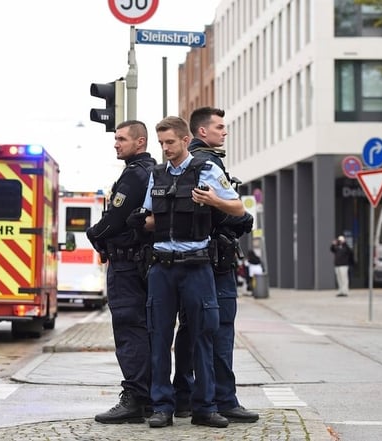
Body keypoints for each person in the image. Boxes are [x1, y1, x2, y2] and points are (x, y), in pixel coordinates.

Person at [129, 115, 245, 429]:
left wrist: (213, 200)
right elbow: (152, 218)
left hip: (197, 267)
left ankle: (205, 408)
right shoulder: (156, 175)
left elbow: (239, 209)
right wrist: (139, 221)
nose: (165, 148)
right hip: (162, 269)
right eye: (161, 143)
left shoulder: (206, 169)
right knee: (159, 337)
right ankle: (162, 407)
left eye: (170, 142)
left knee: (203, 337)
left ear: (184, 140)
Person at [170, 106, 260, 425]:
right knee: (219, 330)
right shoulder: (207, 162)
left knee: (191, 330)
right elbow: (218, 210)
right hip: (215, 262)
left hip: (192, 262)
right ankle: (224, 399)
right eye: (220, 127)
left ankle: (185, 397)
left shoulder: (186, 161)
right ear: (202, 132)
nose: (225, 131)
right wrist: (243, 218)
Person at [86, 120, 156, 424]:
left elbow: (114, 219)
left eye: (121, 139)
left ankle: (135, 399)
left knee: (130, 330)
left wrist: (93, 234)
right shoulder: (149, 171)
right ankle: (151, 396)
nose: (116, 143)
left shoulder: (134, 175)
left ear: (139, 142)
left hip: (127, 265)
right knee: (146, 330)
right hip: (141, 263)